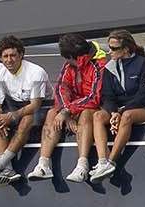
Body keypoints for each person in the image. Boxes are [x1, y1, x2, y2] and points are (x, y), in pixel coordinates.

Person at [33, 35, 105, 183]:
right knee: (52, 113)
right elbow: (61, 88)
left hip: (93, 107)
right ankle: (43, 164)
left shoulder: (99, 64)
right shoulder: (69, 66)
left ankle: (82, 165)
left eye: (67, 59)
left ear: (73, 57)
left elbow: (94, 97)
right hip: (73, 108)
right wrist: (64, 111)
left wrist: (68, 111)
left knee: (85, 115)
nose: (65, 62)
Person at [0, 36, 49, 186]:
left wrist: (10, 118)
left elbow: (35, 105)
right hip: (15, 106)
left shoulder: (36, 72)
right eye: (5, 56)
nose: (9, 60)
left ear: (21, 55)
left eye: (13, 55)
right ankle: (8, 170)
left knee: (26, 120)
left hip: (41, 106)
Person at [95, 29, 145, 181]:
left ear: (126, 49)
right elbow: (107, 95)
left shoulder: (143, 64)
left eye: (114, 48)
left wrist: (122, 111)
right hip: (118, 110)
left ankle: (112, 161)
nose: (110, 51)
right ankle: (102, 160)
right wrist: (113, 112)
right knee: (98, 116)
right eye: (109, 47)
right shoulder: (110, 68)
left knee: (128, 116)